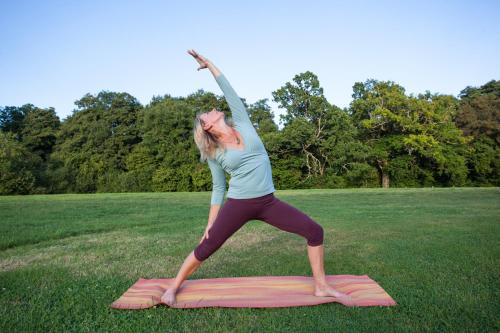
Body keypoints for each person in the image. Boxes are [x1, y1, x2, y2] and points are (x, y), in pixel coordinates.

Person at [160, 49, 351, 305]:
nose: (214, 108)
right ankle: (172, 287)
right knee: (207, 247)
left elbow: (228, 90)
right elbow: (218, 189)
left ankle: (321, 286)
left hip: (268, 203)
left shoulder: (243, 123)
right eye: (207, 113)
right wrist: (210, 223)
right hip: (238, 204)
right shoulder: (214, 153)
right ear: (206, 126)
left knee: (315, 231)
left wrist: (210, 65)